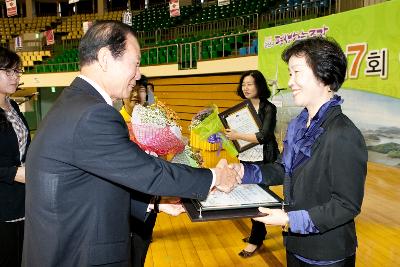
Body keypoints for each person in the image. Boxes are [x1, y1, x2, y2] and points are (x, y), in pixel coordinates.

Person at [23, 20, 239, 267]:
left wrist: (153, 203)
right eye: (135, 64)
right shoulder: (92, 114)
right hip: (76, 255)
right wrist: (214, 177)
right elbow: (147, 171)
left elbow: (90, 186)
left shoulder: (73, 103)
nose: (138, 75)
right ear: (105, 58)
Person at [230, 37, 368, 266]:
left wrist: (289, 219)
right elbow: (282, 169)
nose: (290, 82)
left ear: (324, 76)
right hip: (295, 243)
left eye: (296, 73)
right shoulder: (297, 125)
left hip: (327, 254)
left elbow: (346, 204)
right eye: (289, 74)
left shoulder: (343, 133)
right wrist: (243, 173)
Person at [224, 70, 280, 257]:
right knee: (248, 198)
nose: (246, 88)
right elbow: (236, 138)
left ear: (260, 86)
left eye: (250, 84)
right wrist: (227, 137)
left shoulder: (269, 108)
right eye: (243, 84)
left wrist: (237, 135)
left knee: (259, 198)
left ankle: (255, 240)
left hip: (263, 161)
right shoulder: (241, 109)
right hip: (245, 159)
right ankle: (260, 232)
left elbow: (264, 136)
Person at [0, 47, 30, 267]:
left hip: (22, 200)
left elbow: (22, 148)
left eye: (17, 72)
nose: (15, 77)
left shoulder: (12, 106)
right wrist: (14, 173)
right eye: (8, 72)